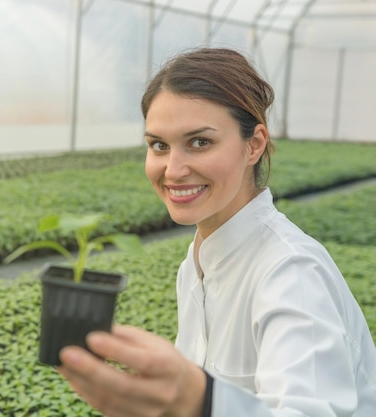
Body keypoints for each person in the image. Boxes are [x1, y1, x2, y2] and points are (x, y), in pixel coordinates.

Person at [57, 47, 376, 417]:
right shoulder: (196, 261)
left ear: (254, 144)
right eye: (159, 145)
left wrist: (199, 399)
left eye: (200, 142)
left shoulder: (291, 272)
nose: (173, 170)